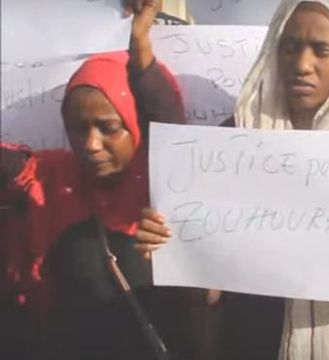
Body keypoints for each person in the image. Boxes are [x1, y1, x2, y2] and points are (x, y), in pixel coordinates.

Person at [135, 1, 329, 359]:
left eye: (321, 50)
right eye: (290, 46)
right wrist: (178, 254)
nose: (302, 65)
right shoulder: (234, 144)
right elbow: (210, 295)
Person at [0, 1, 190, 359]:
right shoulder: (48, 178)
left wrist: (141, 44)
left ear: (135, 125)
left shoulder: (165, 184)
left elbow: (164, 115)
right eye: (77, 128)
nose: (91, 144)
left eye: (108, 128)